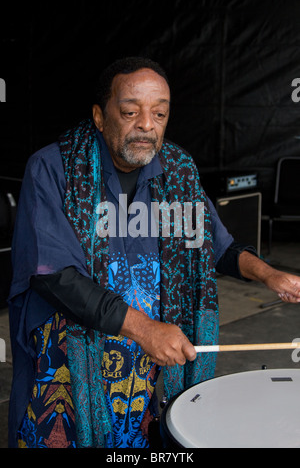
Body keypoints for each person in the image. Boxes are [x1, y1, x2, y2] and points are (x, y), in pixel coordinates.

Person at [8, 57, 300, 449]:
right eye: (130, 111)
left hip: (145, 367)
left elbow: (217, 245)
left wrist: (269, 274)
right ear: (100, 115)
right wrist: (145, 328)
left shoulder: (177, 170)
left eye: (159, 112)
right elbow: (55, 275)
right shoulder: (52, 168)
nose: (146, 123)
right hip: (69, 363)